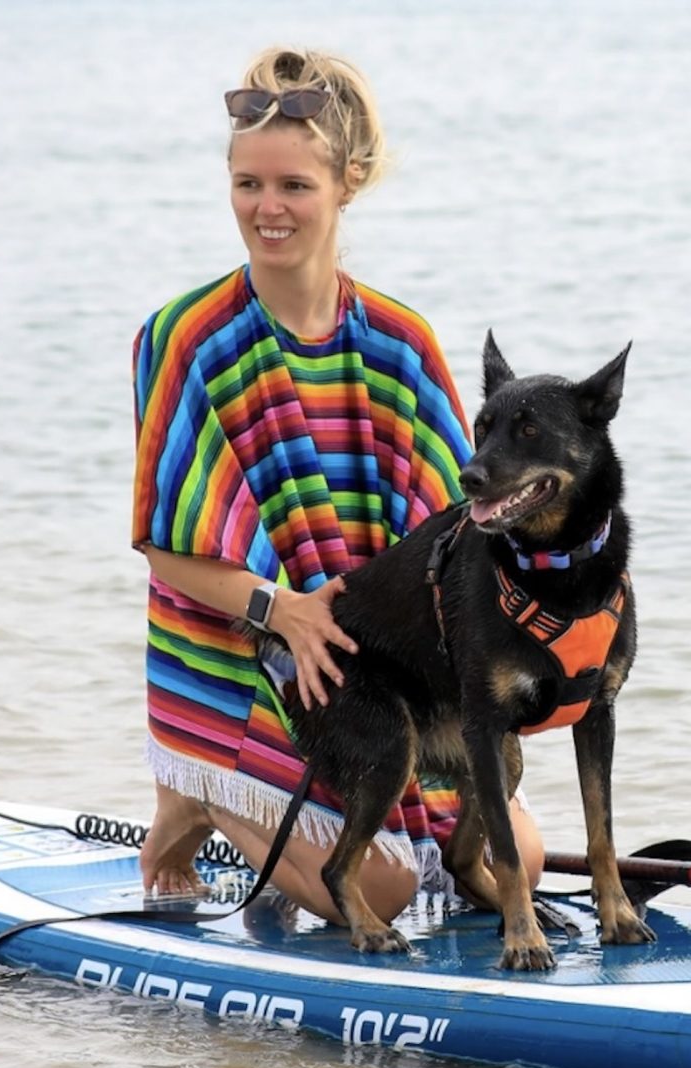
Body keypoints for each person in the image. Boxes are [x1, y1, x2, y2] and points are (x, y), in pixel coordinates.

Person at [132, 46, 543, 925]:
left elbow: (455, 533)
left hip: (377, 669)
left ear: (347, 182)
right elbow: (170, 550)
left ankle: (286, 812)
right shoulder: (185, 339)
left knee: (523, 861)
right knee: (387, 890)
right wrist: (285, 612)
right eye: (248, 184)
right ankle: (201, 795)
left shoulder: (400, 342)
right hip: (247, 653)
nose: (266, 209)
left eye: (293, 187)